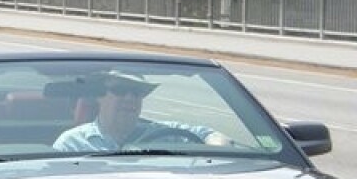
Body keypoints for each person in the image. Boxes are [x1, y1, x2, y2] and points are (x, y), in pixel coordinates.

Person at [53, 71, 228, 152]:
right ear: (100, 96)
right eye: (120, 90)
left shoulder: (164, 133)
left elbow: (211, 136)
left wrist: (218, 150)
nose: (130, 98)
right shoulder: (72, 144)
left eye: (137, 92)